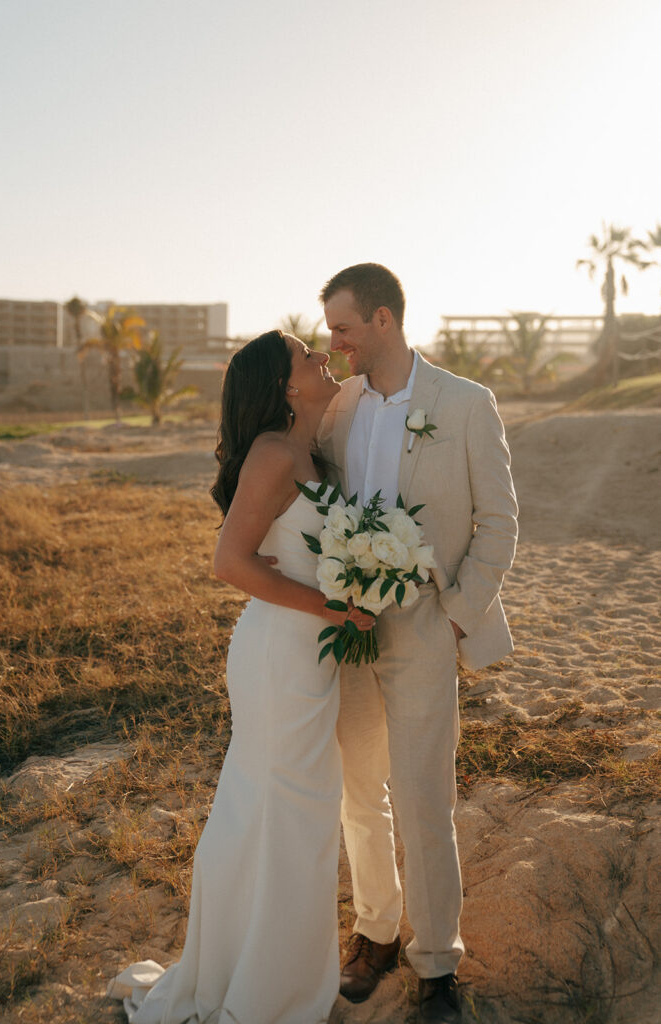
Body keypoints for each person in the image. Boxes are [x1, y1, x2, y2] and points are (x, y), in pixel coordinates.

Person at [107, 329, 373, 1024]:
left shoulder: (311, 452)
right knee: (288, 812)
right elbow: (231, 563)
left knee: (279, 813)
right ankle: (267, 994)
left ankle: (260, 974)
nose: (320, 354)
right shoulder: (272, 453)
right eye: (303, 354)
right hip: (279, 652)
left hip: (306, 651)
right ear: (285, 386)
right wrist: (333, 608)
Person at [317, 264, 519, 1024]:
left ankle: (436, 964)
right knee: (359, 794)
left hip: (427, 625)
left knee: (424, 798)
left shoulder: (465, 404)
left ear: (381, 320)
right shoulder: (338, 407)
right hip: (350, 630)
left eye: (341, 328)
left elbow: (499, 522)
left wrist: (457, 615)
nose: (332, 343)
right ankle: (373, 935)